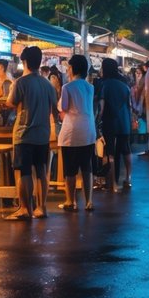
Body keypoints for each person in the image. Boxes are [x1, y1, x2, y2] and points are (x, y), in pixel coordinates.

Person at [6, 46, 58, 220]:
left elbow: (11, 103)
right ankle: (42, 208)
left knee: (25, 172)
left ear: (25, 61)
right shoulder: (48, 84)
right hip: (43, 133)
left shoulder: (21, 82)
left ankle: (24, 209)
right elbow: (54, 109)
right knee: (41, 171)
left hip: (24, 133)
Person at [58, 54, 97, 212]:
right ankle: (88, 201)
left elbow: (65, 107)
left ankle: (70, 201)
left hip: (71, 132)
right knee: (87, 168)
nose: (67, 70)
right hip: (88, 130)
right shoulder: (90, 87)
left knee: (70, 169)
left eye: (68, 67)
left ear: (72, 68)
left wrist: (59, 105)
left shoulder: (67, 87)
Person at [97, 58, 134, 193]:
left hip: (110, 121)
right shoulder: (124, 85)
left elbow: (101, 108)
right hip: (124, 121)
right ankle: (128, 178)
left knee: (110, 153)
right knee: (126, 150)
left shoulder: (104, 85)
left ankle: (112, 184)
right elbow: (130, 105)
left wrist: (97, 122)